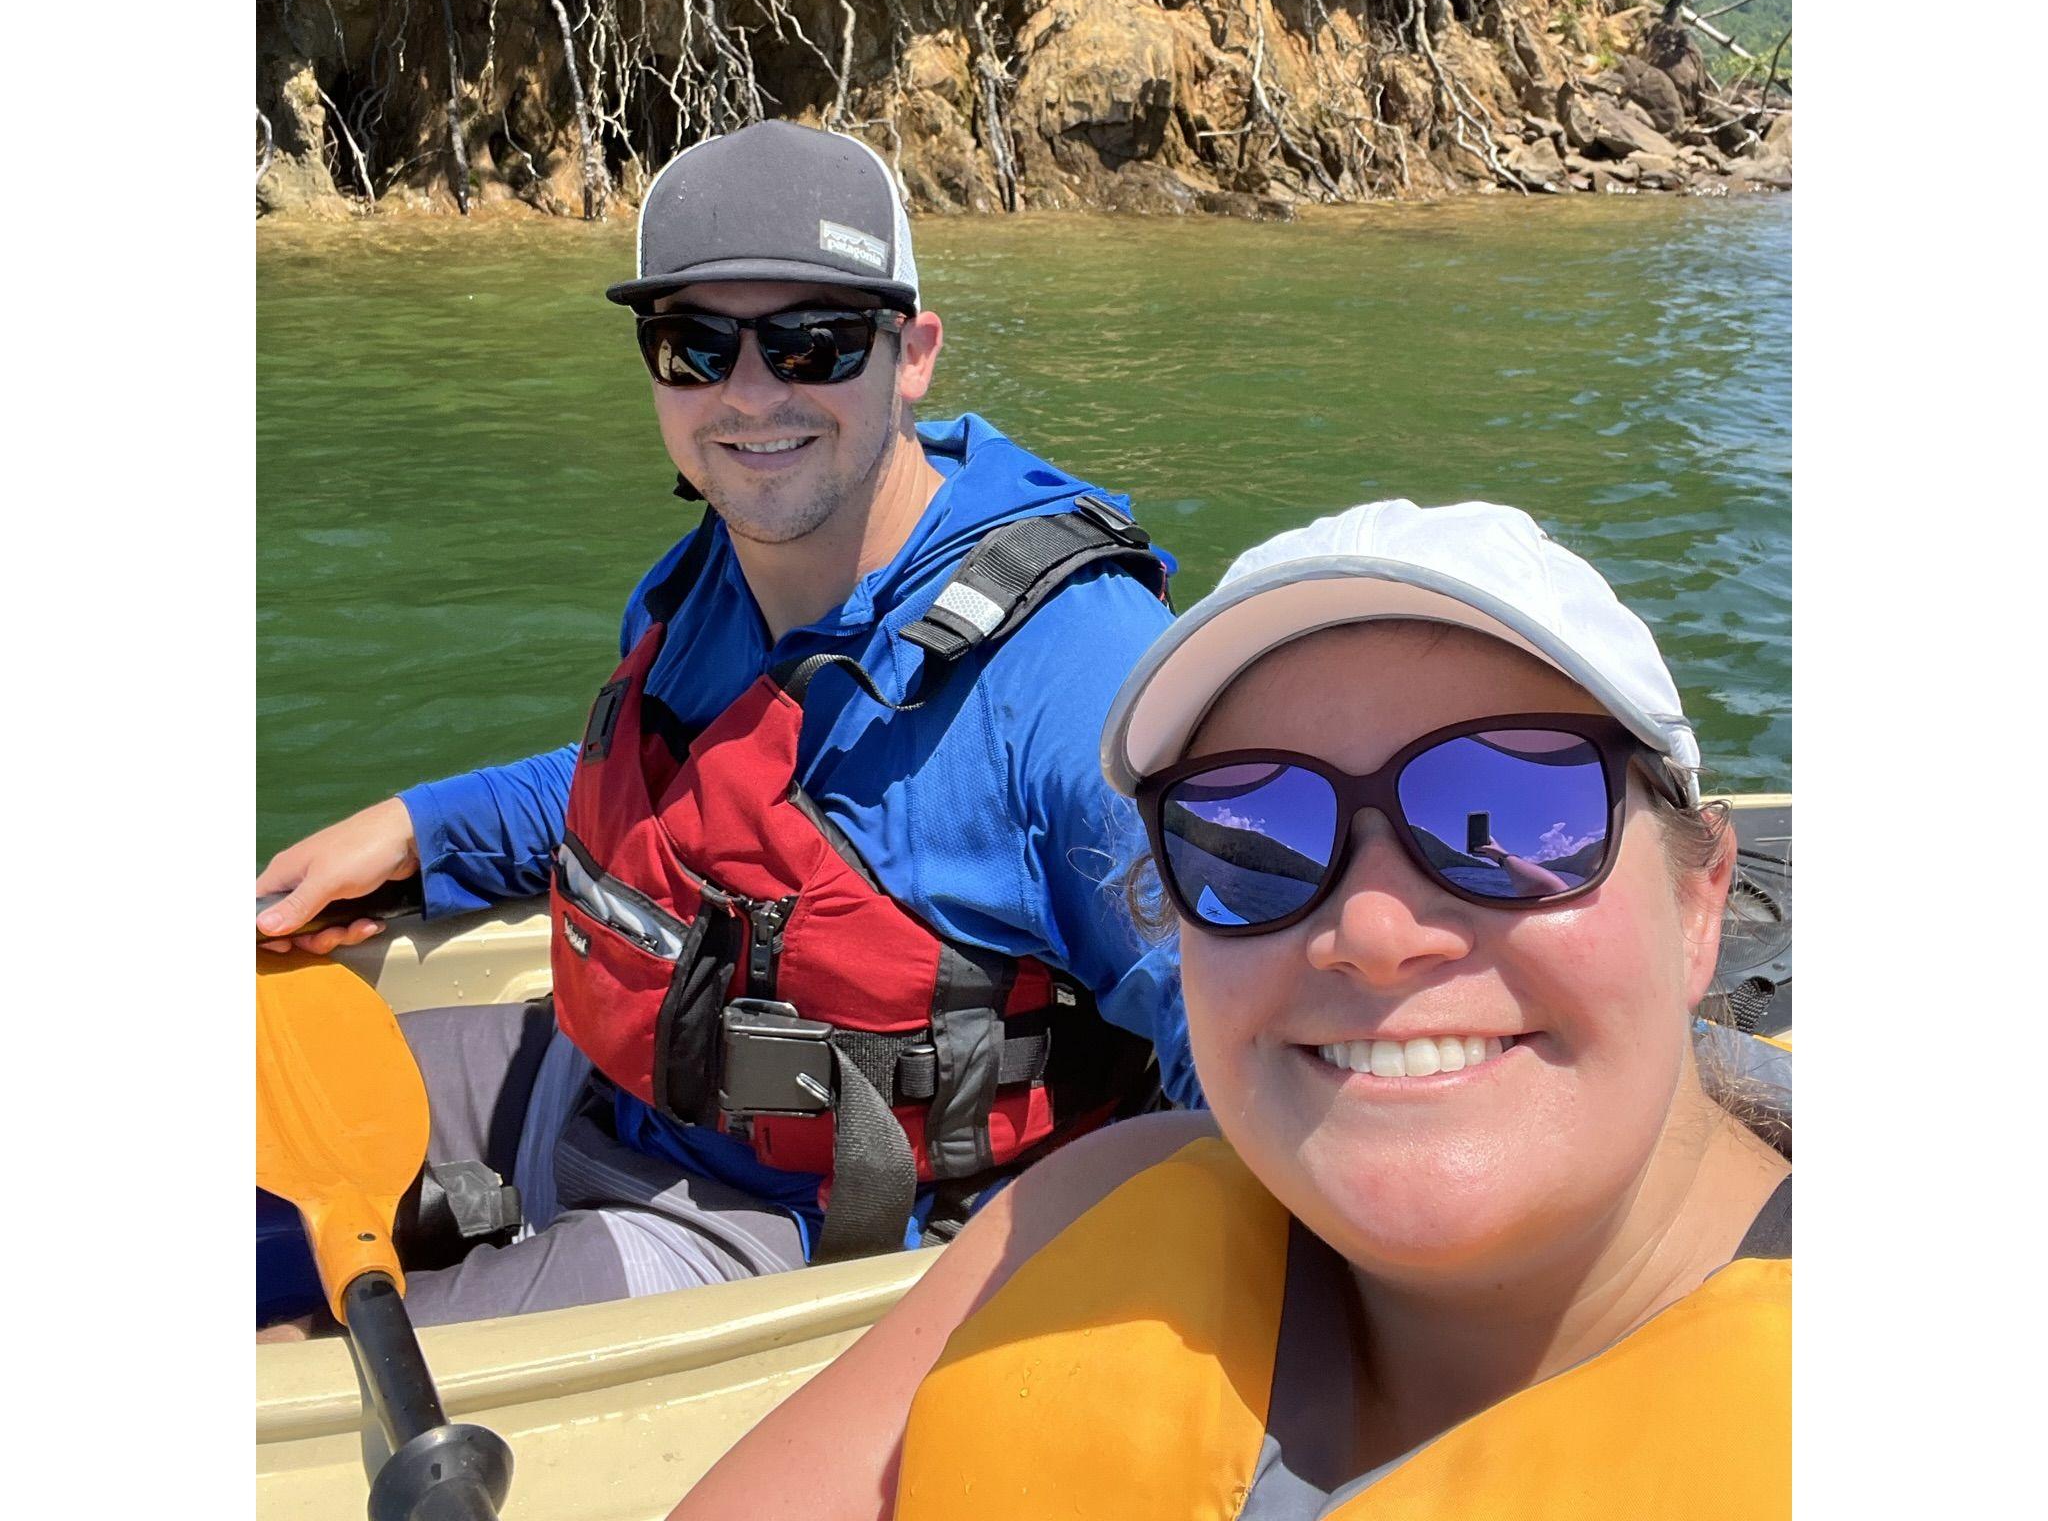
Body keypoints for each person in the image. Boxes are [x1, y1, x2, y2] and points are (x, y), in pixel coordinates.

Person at [673, 499, 1790, 1520]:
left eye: (1509, 811)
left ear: (1699, 901)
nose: (1372, 930)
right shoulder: (1085, 1208)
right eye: (1250, 840)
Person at [255, 122, 1195, 1328]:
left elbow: (1237, 1018)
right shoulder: (740, 557)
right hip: (604, 1082)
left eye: (812, 340)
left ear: (911, 354)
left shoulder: (1071, 671)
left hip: (790, 1226)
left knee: (274, 1367)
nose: (751, 395)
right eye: (694, 343)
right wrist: (421, 827)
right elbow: (698, 788)